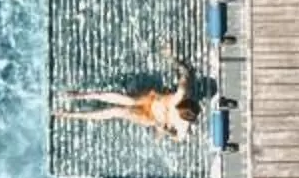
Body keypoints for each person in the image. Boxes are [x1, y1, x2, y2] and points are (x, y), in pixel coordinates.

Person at [59, 59, 200, 141]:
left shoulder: (183, 125)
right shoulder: (180, 95)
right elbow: (185, 76)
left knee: (118, 111)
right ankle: (79, 95)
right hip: (150, 100)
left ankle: (71, 115)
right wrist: (172, 59)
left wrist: (164, 131)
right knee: (128, 100)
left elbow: (178, 138)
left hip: (150, 117)